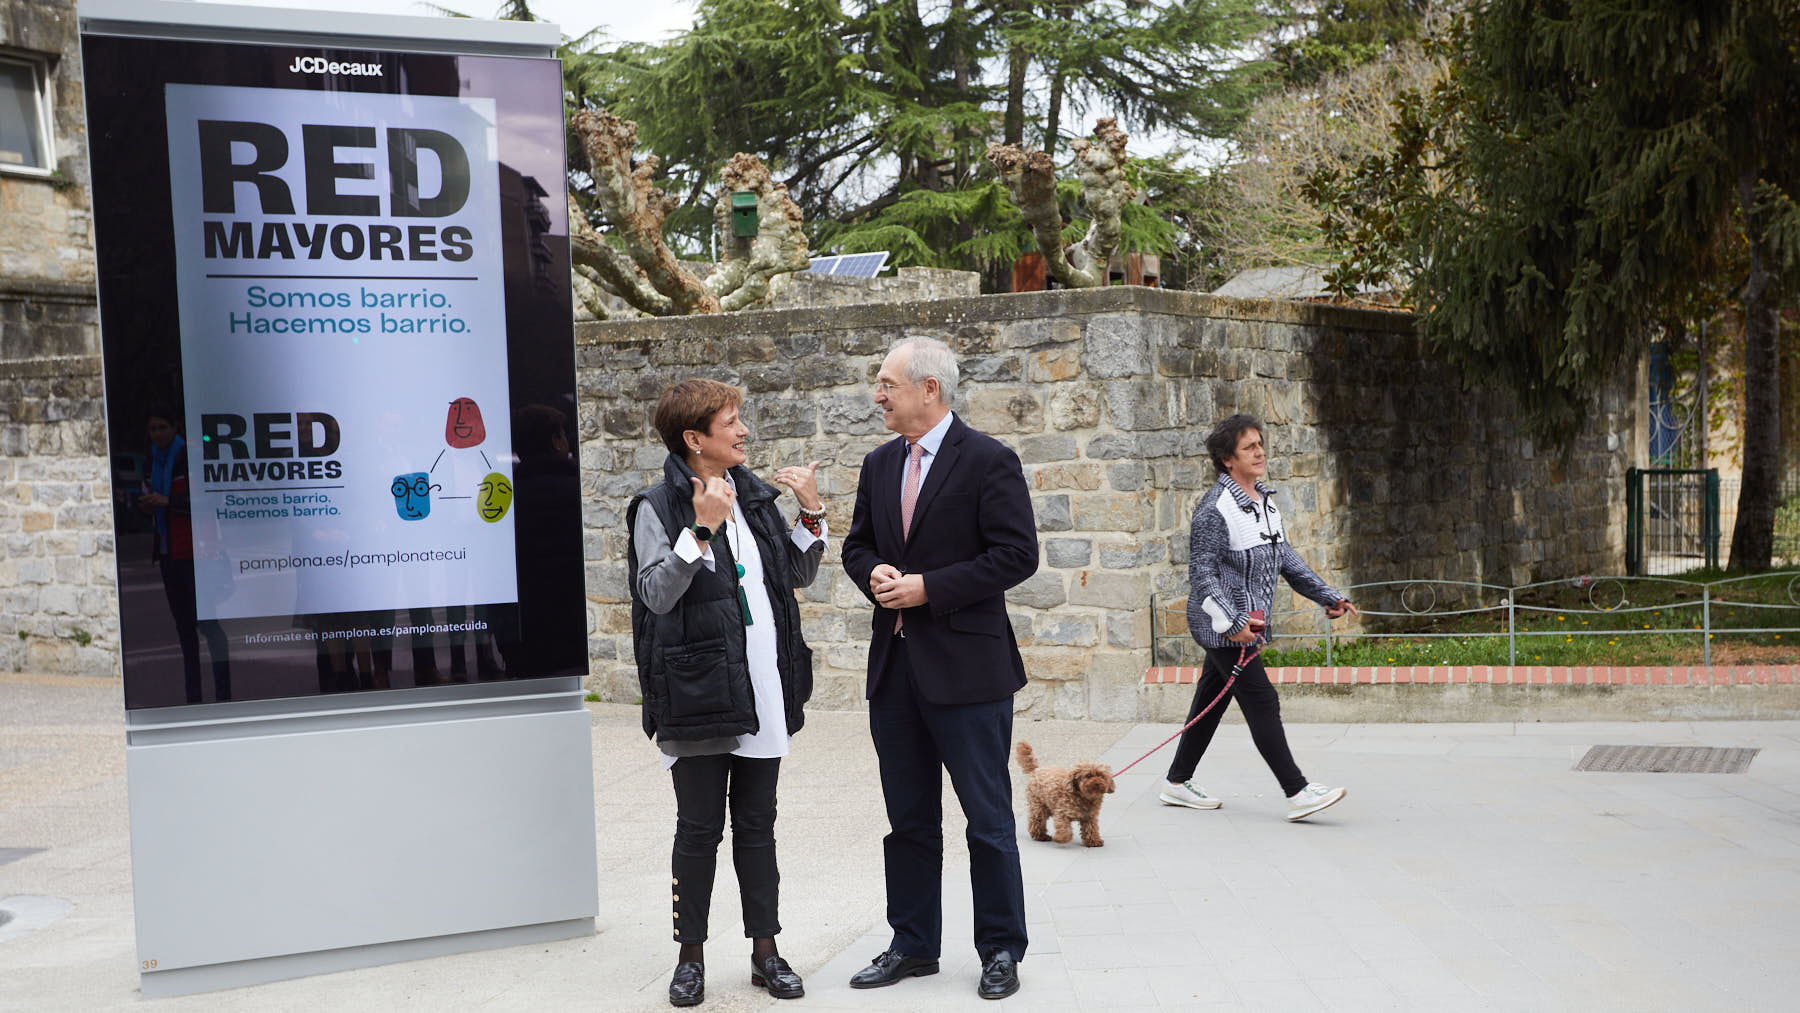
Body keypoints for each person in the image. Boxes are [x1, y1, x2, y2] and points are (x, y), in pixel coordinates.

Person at [841, 337, 1038, 1001]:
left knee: (987, 819)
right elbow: (857, 544)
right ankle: (913, 944)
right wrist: (873, 570)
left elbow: (1017, 555)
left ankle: (1001, 948)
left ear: (929, 388)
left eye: (887, 383)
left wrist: (929, 587)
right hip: (895, 672)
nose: (878, 395)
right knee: (909, 821)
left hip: (970, 674)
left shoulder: (988, 459)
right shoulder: (878, 464)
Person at [626, 378, 826, 1008]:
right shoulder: (656, 506)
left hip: (762, 687)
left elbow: (794, 574)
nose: (744, 431)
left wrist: (811, 513)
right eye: (731, 421)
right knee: (698, 830)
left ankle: (766, 953)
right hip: (696, 692)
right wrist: (702, 530)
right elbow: (656, 594)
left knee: (758, 827)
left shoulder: (756, 497)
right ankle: (689, 958)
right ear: (695, 438)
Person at [1160, 413, 1358, 822]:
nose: (1260, 452)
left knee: (1211, 700)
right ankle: (1297, 791)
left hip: (1245, 625)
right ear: (1227, 459)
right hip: (1223, 627)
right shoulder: (1215, 508)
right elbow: (1202, 575)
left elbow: (1285, 558)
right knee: (1262, 700)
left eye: (1260, 444)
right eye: (1249, 447)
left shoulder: (1264, 502)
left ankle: (1177, 782)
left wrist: (1327, 595)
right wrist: (1233, 624)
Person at [139, 405, 231, 704]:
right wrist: (149, 505)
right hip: (168, 553)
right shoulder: (152, 460)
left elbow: (210, 500)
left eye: (162, 427)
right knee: (184, 629)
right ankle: (194, 698)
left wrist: (168, 501)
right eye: (152, 429)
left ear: (174, 428)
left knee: (209, 626)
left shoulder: (189, 456)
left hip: (197, 553)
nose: (157, 434)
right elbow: (155, 502)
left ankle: (224, 695)